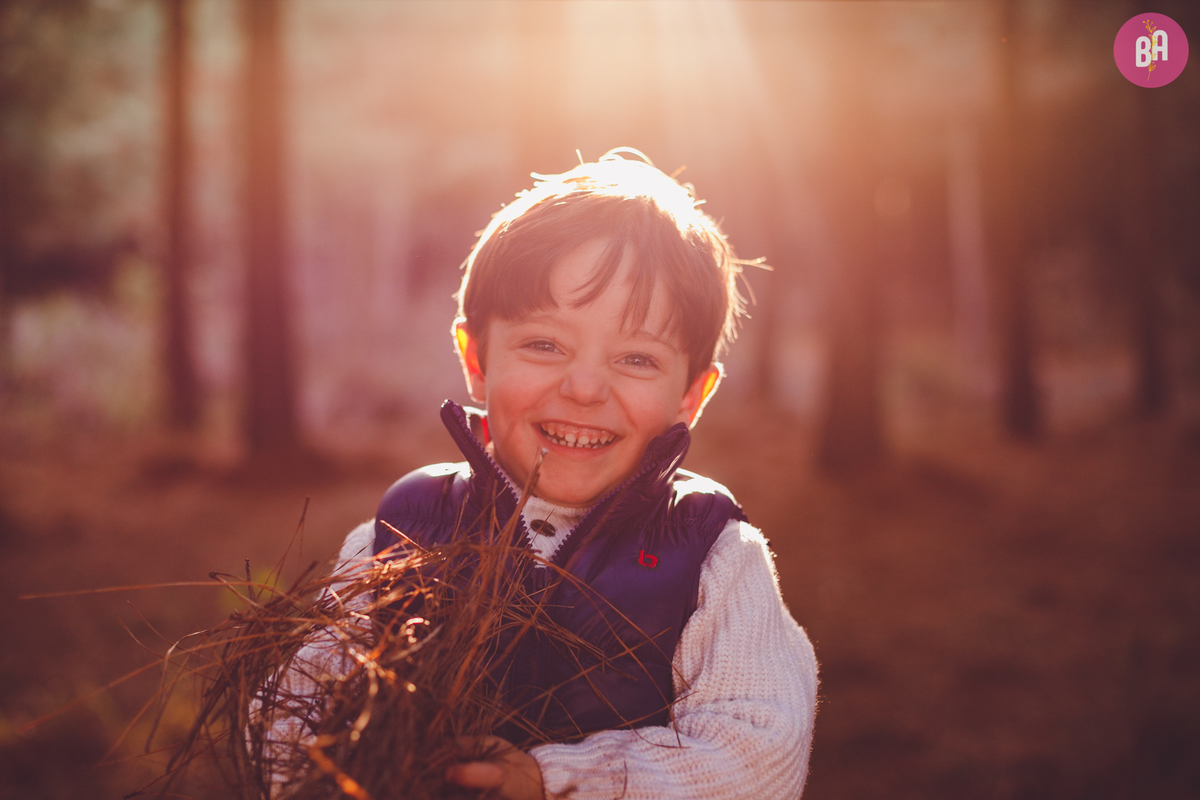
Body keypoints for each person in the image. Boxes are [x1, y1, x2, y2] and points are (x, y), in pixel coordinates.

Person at [305, 150, 817, 800]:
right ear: (477, 359)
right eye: (544, 345)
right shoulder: (403, 529)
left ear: (691, 395)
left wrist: (560, 782)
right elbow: (294, 714)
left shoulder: (712, 554)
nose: (583, 388)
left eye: (635, 358)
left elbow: (757, 753)